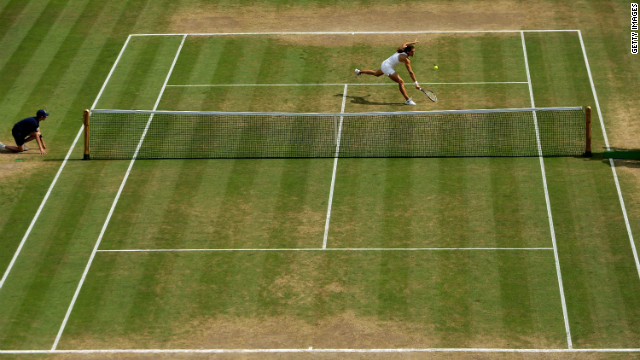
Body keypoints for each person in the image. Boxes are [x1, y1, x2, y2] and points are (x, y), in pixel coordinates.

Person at [355, 40, 421, 105]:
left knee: (376, 74)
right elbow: (410, 72)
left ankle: (359, 72)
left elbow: (405, 43)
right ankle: (407, 100)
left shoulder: (404, 49)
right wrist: (416, 83)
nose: (413, 53)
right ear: (408, 51)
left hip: (385, 63)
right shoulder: (406, 59)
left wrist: (413, 43)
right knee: (401, 82)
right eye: (412, 52)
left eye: (414, 51)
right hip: (387, 67)